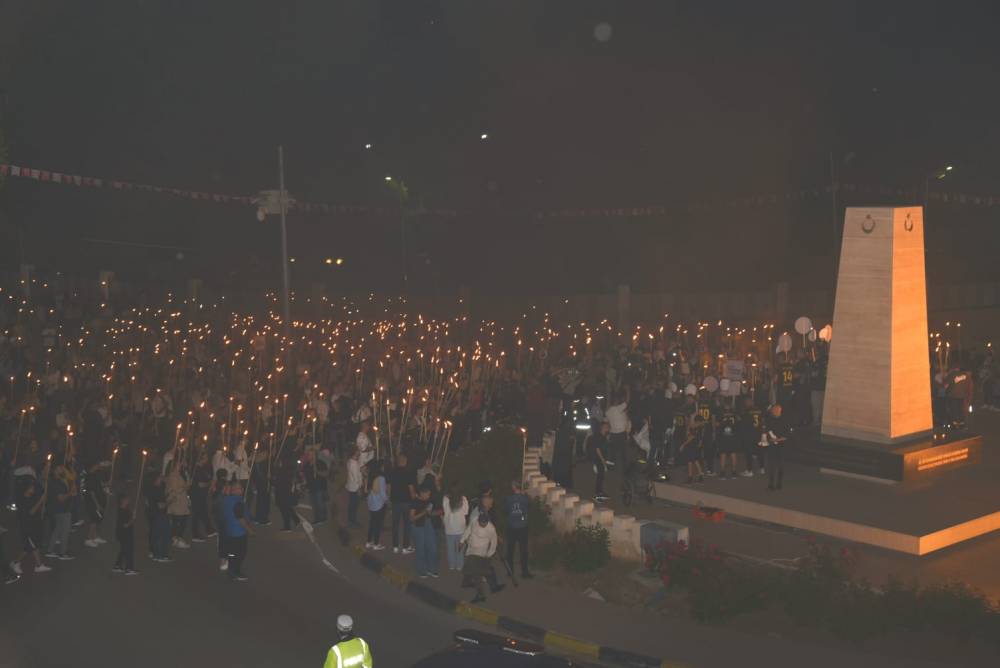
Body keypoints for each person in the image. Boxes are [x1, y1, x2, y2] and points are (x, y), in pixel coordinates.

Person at [461, 501, 505, 604]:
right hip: (472, 549)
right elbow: (468, 530)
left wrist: (488, 555)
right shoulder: (474, 521)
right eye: (481, 522)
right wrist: (462, 541)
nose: (482, 524)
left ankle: (480, 594)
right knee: (481, 569)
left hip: (482, 552)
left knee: (477, 573)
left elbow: (494, 544)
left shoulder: (491, 528)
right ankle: (470, 583)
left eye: (484, 523)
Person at [14, 472, 52, 574]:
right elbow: (31, 511)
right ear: (26, 489)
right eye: (31, 487)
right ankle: (34, 565)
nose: (33, 488)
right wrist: (41, 500)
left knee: (29, 547)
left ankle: (20, 563)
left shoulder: (31, 496)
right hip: (27, 528)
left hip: (33, 525)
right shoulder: (23, 500)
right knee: (32, 546)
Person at [223, 480, 255, 581]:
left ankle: (231, 568)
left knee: (232, 552)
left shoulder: (227, 499)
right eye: (240, 488)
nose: (242, 489)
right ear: (234, 490)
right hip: (238, 533)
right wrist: (250, 531)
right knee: (240, 553)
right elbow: (240, 519)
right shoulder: (238, 502)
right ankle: (235, 571)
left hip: (229, 531)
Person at [46, 461, 77, 561]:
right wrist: (70, 493)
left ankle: (50, 550)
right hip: (62, 510)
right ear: (55, 471)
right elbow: (61, 498)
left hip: (58, 510)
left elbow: (71, 477)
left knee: (57, 530)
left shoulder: (58, 480)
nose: (63, 470)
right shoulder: (57, 483)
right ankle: (63, 553)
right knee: (65, 532)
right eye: (60, 469)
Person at [409, 484, 441, 578]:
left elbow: (430, 513)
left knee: (433, 548)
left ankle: (432, 569)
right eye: (427, 494)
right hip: (418, 526)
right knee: (421, 550)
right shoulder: (414, 502)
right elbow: (411, 518)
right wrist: (424, 513)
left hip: (428, 524)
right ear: (422, 494)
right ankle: (421, 570)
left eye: (429, 494)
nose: (429, 496)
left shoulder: (429, 501)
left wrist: (438, 513)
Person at [504, 479, 533, 579]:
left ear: (513, 488)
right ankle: (524, 572)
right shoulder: (525, 498)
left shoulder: (508, 499)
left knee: (510, 550)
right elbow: (528, 508)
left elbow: (507, 510)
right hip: (522, 526)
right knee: (523, 550)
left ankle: (510, 571)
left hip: (512, 526)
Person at [388, 453, 415, 554]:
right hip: (406, 502)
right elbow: (411, 489)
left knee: (395, 524)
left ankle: (395, 546)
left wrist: (389, 498)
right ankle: (405, 546)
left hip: (395, 502)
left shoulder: (392, 472)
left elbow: (389, 487)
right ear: (405, 462)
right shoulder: (409, 473)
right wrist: (414, 498)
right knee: (407, 525)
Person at [190, 451, 216, 541]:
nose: (207, 459)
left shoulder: (203, 468)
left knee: (204, 512)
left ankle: (209, 530)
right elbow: (200, 484)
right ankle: (195, 535)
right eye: (205, 457)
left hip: (202, 495)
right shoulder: (196, 469)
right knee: (196, 514)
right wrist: (209, 483)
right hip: (196, 495)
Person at [165, 460, 192, 549]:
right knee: (178, 522)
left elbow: (185, 484)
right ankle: (175, 539)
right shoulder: (172, 476)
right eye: (178, 465)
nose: (179, 466)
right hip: (177, 502)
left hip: (182, 501)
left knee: (183, 520)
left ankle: (178, 538)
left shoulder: (180, 475)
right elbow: (175, 490)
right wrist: (185, 487)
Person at [442, 483, 468, 571]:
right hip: (460, 527)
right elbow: (466, 512)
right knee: (460, 547)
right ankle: (460, 565)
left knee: (450, 548)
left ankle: (452, 565)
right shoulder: (463, 499)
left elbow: (445, 512)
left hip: (449, 527)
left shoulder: (446, 499)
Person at [764, 403, 789, 491]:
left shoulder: (784, 420)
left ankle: (779, 483)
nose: (774, 411)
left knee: (780, 465)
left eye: (776, 410)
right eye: (773, 410)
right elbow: (767, 430)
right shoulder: (770, 419)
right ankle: (771, 483)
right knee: (771, 465)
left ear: (780, 411)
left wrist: (778, 440)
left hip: (781, 446)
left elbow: (786, 435)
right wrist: (770, 439)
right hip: (772, 446)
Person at [112, 494, 138, 575]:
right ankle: (129, 568)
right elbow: (125, 525)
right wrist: (132, 519)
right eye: (127, 499)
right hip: (125, 534)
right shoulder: (122, 511)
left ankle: (117, 566)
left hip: (123, 534)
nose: (129, 500)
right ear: (123, 501)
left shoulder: (124, 509)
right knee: (128, 551)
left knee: (123, 550)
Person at [364, 461, 387, 550]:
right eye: (382, 466)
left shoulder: (369, 476)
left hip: (371, 504)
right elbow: (382, 493)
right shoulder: (381, 478)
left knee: (372, 523)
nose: (383, 468)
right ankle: (376, 544)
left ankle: (369, 542)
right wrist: (387, 501)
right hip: (379, 505)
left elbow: (366, 491)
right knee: (378, 525)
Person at [679, 416, 705, 484]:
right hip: (695, 446)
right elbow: (699, 437)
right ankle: (700, 476)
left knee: (690, 461)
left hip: (691, 446)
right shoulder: (698, 427)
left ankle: (690, 478)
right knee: (695, 460)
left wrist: (683, 444)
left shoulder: (696, 428)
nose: (703, 423)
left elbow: (691, 437)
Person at [590, 421, 611, 502]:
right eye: (606, 427)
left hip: (601, 459)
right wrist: (603, 461)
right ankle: (598, 494)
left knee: (601, 477)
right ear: (602, 428)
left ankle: (600, 492)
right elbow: (598, 450)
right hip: (599, 459)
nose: (608, 428)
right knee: (600, 477)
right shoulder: (599, 437)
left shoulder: (603, 436)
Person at [344, 448, 362, 528]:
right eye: (358, 451)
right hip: (354, 488)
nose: (359, 453)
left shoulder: (351, 461)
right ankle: (352, 521)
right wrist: (359, 489)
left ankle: (351, 520)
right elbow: (355, 478)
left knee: (352, 504)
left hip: (351, 486)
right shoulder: (353, 463)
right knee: (354, 505)